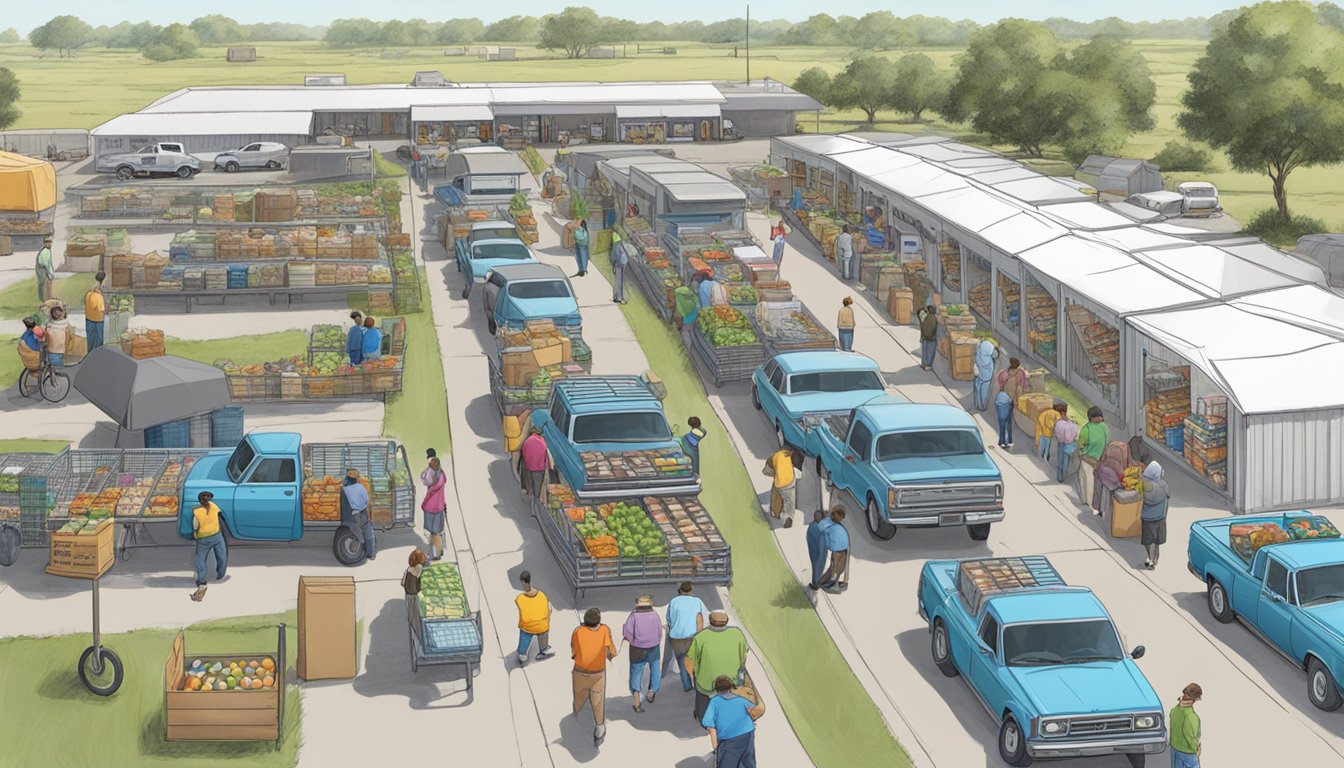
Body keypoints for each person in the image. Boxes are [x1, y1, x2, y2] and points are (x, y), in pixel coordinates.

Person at [685, 610, 748, 722]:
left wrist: (692, 675)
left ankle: (702, 717)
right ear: (726, 621)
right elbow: (744, 655)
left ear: (710, 621)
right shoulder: (737, 633)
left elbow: (689, 660)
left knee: (702, 694)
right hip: (733, 680)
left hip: (706, 683)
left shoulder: (701, 637)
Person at [571, 607, 618, 746]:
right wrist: (611, 656)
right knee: (597, 702)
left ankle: (576, 716)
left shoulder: (578, 631)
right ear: (598, 621)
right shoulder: (604, 630)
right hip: (598, 673)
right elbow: (611, 651)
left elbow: (574, 649)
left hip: (580, 670)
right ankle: (599, 728)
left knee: (579, 694)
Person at [702, 675, 766, 768]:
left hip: (729, 739)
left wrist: (715, 746)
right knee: (747, 763)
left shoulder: (715, 702)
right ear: (731, 687)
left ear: (716, 689)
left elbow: (710, 725)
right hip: (747, 735)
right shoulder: (741, 700)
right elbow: (755, 712)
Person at [664, 582, 708, 692]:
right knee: (696, 660)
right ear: (691, 589)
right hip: (692, 636)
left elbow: (669, 619)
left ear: (680, 590)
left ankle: (687, 685)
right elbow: (701, 619)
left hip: (676, 637)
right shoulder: (697, 601)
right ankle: (698, 684)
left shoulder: (673, 602)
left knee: (682, 661)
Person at [622, 594, 663, 712]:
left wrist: (632, 640)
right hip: (653, 646)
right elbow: (659, 632)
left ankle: (636, 701)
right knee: (655, 667)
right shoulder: (654, 615)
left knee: (636, 672)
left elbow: (627, 632)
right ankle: (652, 691)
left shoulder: (633, 616)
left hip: (637, 648)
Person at [190, 491, 227, 602]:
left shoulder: (196, 512)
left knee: (200, 559)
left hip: (203, 539)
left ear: (200, 501)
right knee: (222, 555)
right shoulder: (214, 506)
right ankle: (220, 574)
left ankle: (201, 580)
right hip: (216, 535)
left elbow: (195, 526)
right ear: (210, 499)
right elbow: (219, 515)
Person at [515, 570, 556, 664]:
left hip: (527, 628)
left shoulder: (520, 598)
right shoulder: (542, 595)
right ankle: (544, 649)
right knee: (543, 628)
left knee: (525, 631)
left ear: (522, 582)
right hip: (543, 627)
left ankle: (523, 653)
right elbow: (550, 609)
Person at [1077, 407, 1110, 511]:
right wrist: (1097, 461)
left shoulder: (1089, 429)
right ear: (1092, 418)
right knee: (1088, 482)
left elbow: (1081, 448)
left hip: (1092, 461)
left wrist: (1097, 461)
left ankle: (1089, 504)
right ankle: (1088, 503)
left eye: (1101, 416)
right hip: (1093, 460)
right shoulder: (1100, 428)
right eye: (1098, 416)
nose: (1101, 418)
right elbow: (1107, 443)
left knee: (1088, 482)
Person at [341, 469, 376, 561]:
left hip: (353, 515)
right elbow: (366, 500)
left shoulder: (344, 490)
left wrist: (344, 520)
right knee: (368, 533)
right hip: (363, 512)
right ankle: (371, 554)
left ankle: (359, 545)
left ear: (348, 478)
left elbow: (344, 506)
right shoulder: (361, 487)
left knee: (356, 532)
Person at [1140, 461, 1170, 570]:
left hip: (1148, 518)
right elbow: (1168, 496)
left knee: (1149, 541)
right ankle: (1153, 559)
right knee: (1156, 541)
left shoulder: (1147, 486)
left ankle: (1151, 560)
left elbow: (1145, 497)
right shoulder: (1163, 485)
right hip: (1161, 518)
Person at [764, 447, 802, 528]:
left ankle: (775, 513)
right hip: (790, 481)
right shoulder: (787, 457)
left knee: (776, 497)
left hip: (779, 483)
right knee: (790, 501)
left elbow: (769, 470)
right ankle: (789, 516)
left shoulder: (775, 457)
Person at [1169, 683, 1202, 768]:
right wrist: (1196, 749)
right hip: (1188, 752)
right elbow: (1190, 736)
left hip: (1174, 748)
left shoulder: (1175, 710)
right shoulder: (1191, 717)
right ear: (1194, 699)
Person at [420, 454, 446, 560]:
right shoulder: (442, 476)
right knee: (438, 530)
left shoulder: (430, 478)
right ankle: (439, 550)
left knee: (432, 532)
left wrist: (423, 504)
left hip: (430, 507)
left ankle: (436, 553)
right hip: (439, 506)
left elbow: (423, 478)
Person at [820, 507, 850, 593]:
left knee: (840, 568)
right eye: (840, 516)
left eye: (842, 517)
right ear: (835, 514)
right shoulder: (827, 523)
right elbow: (822, 531)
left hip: (843, 549)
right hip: (836, 550)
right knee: (834, 569)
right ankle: (823, 584)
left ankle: (831, 584)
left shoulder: (837, 524)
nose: (841, 518)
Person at [806, 510, 834, 591]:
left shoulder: (813, 527)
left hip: (819, 551)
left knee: (818, 566)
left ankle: (817, 583)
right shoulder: (816, 527)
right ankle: (816, 583)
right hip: (817, 551)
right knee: (818, 566)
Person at [518, 426, 549, 499]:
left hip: (528, 467)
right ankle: (536, 501)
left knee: (530, 482)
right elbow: (545, 457)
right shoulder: (543, 442)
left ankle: (529, 494)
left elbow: (523, 454)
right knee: (537, 487)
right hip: (539, 468)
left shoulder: (527, 441)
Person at [1052, 404, 1079, 483]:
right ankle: (1063, 475)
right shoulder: (1072, 424)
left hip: (1061, 444)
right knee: (1066, 461)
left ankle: (1059, 477)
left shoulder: (1059, 424)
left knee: (1060, 460)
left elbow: (1057, 435)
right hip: (1069, 444)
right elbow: (1075, 435)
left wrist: (1060, 440)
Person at [972, 339, 998, 411]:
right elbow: (995, 355)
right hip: (986, 375)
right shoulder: (988, 350)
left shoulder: (979, 348)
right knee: (984, 391)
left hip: (978, 372)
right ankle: (982, 406)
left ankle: (977, 404)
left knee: (977, 388)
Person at [84, 272, 106, 350]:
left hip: (90, 319)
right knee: (97, 343)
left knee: (91, 343)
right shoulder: (96, 295)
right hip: (97, 321)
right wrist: (106, 308)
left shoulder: (90, 293)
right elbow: (99, 308)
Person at [402, 549, 426, 613]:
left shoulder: (409, 568)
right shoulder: (419, 567)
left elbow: (402, 582)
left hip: (408, 593)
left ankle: (411, 621)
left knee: (410, 610)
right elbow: (420, 578)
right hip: (414, 593)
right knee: (416, 611)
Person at [917, 305, 938, 371]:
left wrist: (921, 337)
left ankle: (925, 364)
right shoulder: (934, 318)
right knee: (930, 352)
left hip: (925, 338)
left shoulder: (925, 317)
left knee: (925, 351)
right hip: (932, 338)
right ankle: (928, 365)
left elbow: (923, 328)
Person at [35, 236, 54, 303]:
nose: (49, 243)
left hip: (46, 269)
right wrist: (48, 272)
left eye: (50, 242)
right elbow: (42, 263)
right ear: (44, 243)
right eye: (47, 242)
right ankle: (42, 299)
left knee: (47, 284)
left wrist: (51, 272)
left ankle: (47, 298)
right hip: (42, 269)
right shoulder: (44, 251)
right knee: (42, 284)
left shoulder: (48, 251)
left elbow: (49, 263)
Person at [611, 240, 629, 304]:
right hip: (620, 265)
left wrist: (613, 265)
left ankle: (617, 297)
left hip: (618, 264)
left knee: (617, 281)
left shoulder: (616, 246)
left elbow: (613, 257)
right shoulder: (621, 246)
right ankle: (619, 298)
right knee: (619, 281)